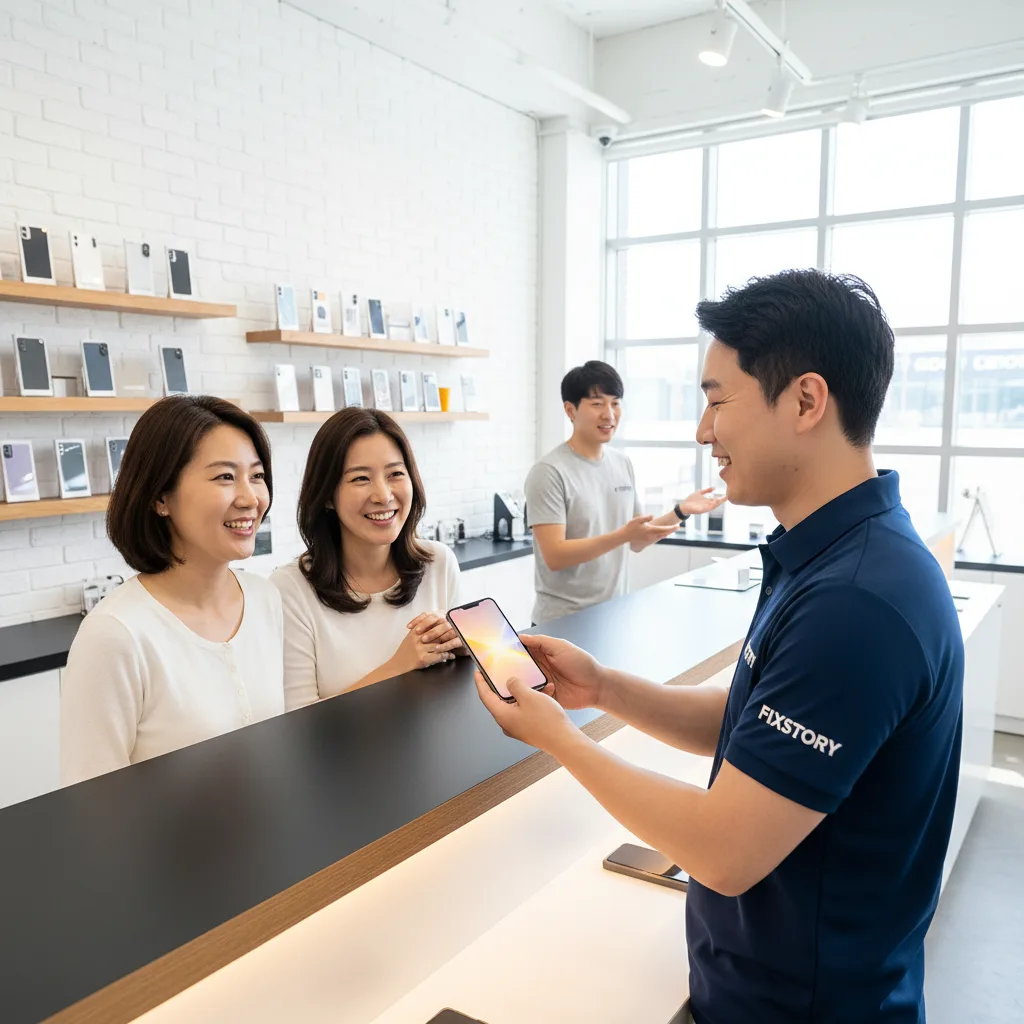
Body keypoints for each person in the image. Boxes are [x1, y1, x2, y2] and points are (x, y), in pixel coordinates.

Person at [475, 271, 964, 1023]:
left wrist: (555, 739)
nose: (704, 431)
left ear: (806, 401)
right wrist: (603, 688)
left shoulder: (855, 604)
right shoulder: (831, 558)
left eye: (716, 399)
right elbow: (749, 723)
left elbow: (725, 851)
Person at [61, 396, 286, 785]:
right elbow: (91, 809)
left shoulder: (265, 599)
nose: (251, 499)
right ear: (161, 497)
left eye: (257, 476)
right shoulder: (116, 634)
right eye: (224, 477)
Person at [271, 408, 462, 710]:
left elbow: (466, 682)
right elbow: (299, 722)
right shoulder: (290, 589)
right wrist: (399, 666)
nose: (383, 495)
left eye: (396, 474)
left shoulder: (439, 563)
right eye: (360, 478)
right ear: (327, 496)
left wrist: (464, 644)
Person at [525, 360, 726, 623]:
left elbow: (637, 539)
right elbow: (555, 555)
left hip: (612, 615)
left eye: (615, 403)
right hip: (560, 622)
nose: (609, 414)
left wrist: (681, 511)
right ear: (570, 410)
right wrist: (622, 535)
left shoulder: (622, 463)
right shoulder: (549, 471)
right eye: (597, 404)